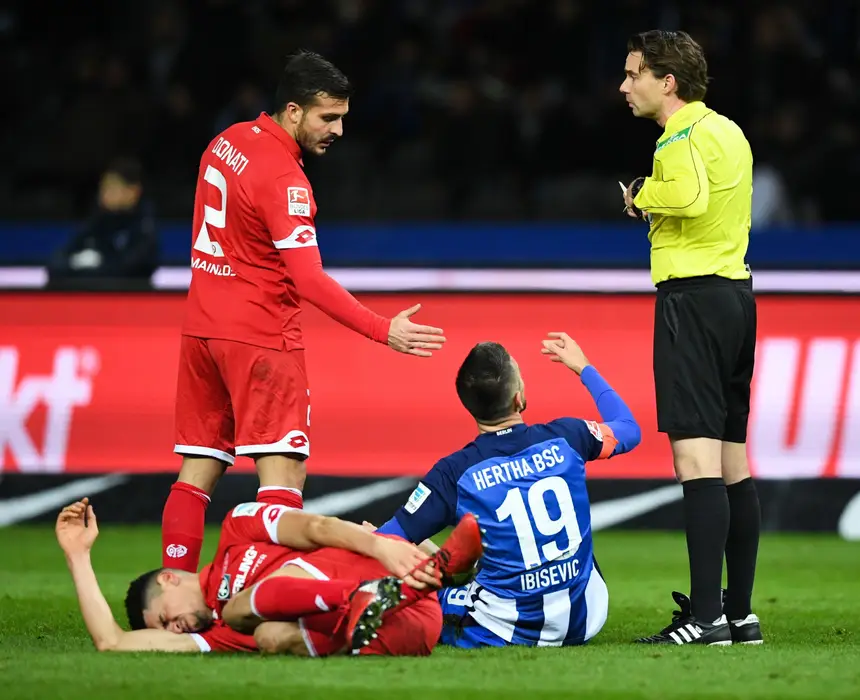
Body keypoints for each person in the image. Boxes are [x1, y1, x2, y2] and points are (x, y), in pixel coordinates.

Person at [165, 49, 447, 572]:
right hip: (261, 339)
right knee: (283, 479)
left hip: (201, 331)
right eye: (328, 117)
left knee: (197, 471)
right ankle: (261, 601)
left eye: (343, 116)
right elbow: (308, 279)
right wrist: (383, 330)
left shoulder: (225, 143)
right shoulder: (285, 179)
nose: (338, 128)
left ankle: (172, 592)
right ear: (292, 111)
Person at [619, 30, 762, 645]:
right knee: (734, 460)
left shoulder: (677, 139)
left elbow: (690, 195)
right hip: (735, 296)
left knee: (695, 461)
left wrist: (640, 199)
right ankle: (739, 613)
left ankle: (704, 619)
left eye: (634, 74)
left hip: (693, 302)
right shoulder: (729, 130)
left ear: (666, 82)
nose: (626, 87)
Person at [374, 333, 641, 647]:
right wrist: (584, 368)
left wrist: (371, 538)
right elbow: (628, 427)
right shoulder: (569, 436)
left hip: (505, 627)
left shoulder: (453, 473)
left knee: (421, 586)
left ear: (469, 406)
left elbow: (392, 538)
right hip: (588, 616)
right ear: (519, 398)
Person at [56, 497, 483, 656]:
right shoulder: (216, 636)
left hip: (385, 577)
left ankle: (409, 573)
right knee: (267, 636)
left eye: (163, 618)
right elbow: (111, 642)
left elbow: (316, 526)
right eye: (166, 631)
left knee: (249, 606)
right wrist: (78, 556)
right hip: (397, 633)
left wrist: (379, 545)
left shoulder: (237, 527)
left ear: (168, 579)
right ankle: (437, 571)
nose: (174, 629)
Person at [47, 158, 159, 283]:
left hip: (129, 299)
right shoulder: (98, 221)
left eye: (111, 188)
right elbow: (57, 263)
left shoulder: (144, 227)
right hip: (89, 297)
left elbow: (128, 271)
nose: (103, 194)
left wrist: (97, 267)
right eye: (103, 187)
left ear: (133, 191)